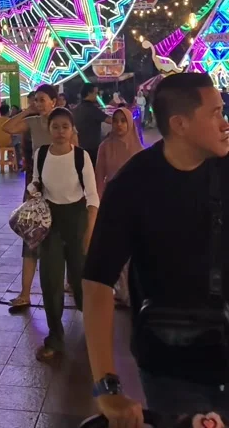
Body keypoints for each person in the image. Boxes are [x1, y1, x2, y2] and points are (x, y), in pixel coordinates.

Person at [83, 72, 229, 423]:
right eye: (215, 113)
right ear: (180, 124)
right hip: (172, 366)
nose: (225, 123)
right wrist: (108, 388)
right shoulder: (132, 186)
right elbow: (97, 283)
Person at [28, 107, 99, 361]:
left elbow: (92, 198)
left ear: (72, 130)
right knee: (50, 281)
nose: (60, 132)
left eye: (65, 127)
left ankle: (94, 332)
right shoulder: (41, 154)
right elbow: (36, 181)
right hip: (51, 222)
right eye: (55, 127)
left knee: (81, 280)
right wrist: (34, 188)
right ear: (49, 128)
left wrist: (89, 232)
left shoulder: (81, 157)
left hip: (77, 220)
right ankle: (55, 338)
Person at [3, 83, 59, 312]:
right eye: (36, 100)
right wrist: (27, 111)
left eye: (43, 99)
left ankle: (64, 285)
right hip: (36, 186)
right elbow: (8, 128)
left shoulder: (62, 123)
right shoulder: (33, 123)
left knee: (57, 238)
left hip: (60, 186)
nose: (39, 104)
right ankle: (25, 293)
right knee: (30, 237)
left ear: (54, 101)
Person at [95, 107, 143, 305]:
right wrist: (97, 204)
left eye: (123, 121)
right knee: (116, 249)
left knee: (134, 251)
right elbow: (99, 177)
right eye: (116, 121)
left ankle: (133, 291)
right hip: (112, 202)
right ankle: (121, 291)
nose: (119, 125)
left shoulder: (138, 149)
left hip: (134, 204)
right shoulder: (105, 147)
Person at [73, 83, 109, 167]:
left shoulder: (76, 109)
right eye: (95, 93)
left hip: (78, 147)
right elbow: (110, 120)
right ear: (89, 93)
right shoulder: (92, 109)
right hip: (92, 149)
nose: (96, 96)